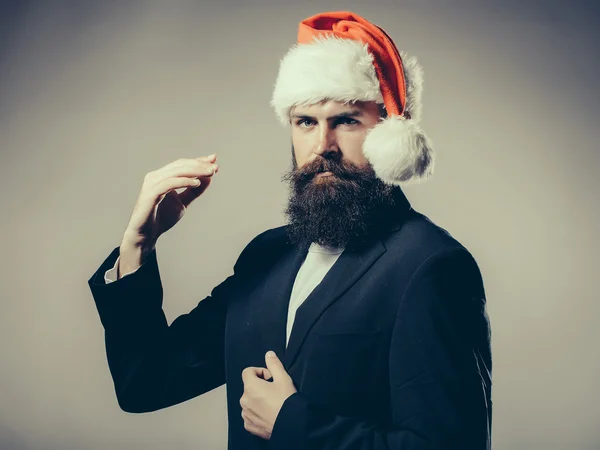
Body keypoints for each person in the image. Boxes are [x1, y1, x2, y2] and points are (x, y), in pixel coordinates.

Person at [87, 10, 492, 450]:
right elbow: (145, 383)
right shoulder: (267, 256)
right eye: (306, 122)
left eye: (347, 120)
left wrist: (293, 424)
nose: (323, 147)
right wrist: (138, 247)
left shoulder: (431, 266)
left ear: (389, 132)